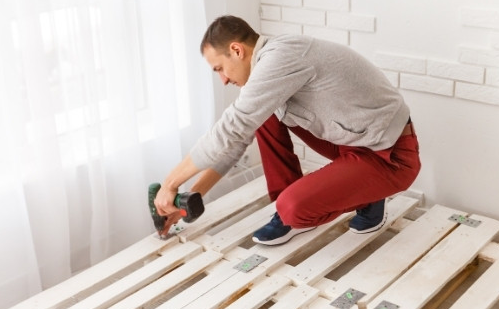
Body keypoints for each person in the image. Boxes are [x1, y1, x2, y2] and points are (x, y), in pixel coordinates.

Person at [154, 15, 420, 245]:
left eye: (219, 68)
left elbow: (229, 130)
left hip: (391, 156)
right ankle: (291, 206)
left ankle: (363, 196)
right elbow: (235, 141)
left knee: (293, 209)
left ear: (236, 50)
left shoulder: (281, 58)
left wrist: (170, 184)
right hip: (355, 139)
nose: (222, 79)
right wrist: (194, 195)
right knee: (261, 115)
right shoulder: (270, 63)